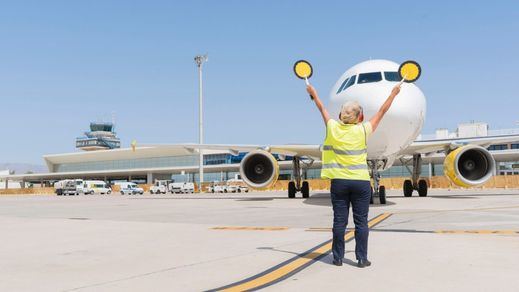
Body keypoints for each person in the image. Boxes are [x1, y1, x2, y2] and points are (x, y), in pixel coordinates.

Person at [307, 83, 401, 268]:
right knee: (361, 222)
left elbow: (321, 107)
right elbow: (382, 111)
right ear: (361, 117)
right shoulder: (363, 129)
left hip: (340, 183)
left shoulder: (332, 127)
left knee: (339, 221)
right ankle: (361, 258)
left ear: (340, 115)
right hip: (360, 183)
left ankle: (338, 258)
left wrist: (313, 94)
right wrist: (393, 94)